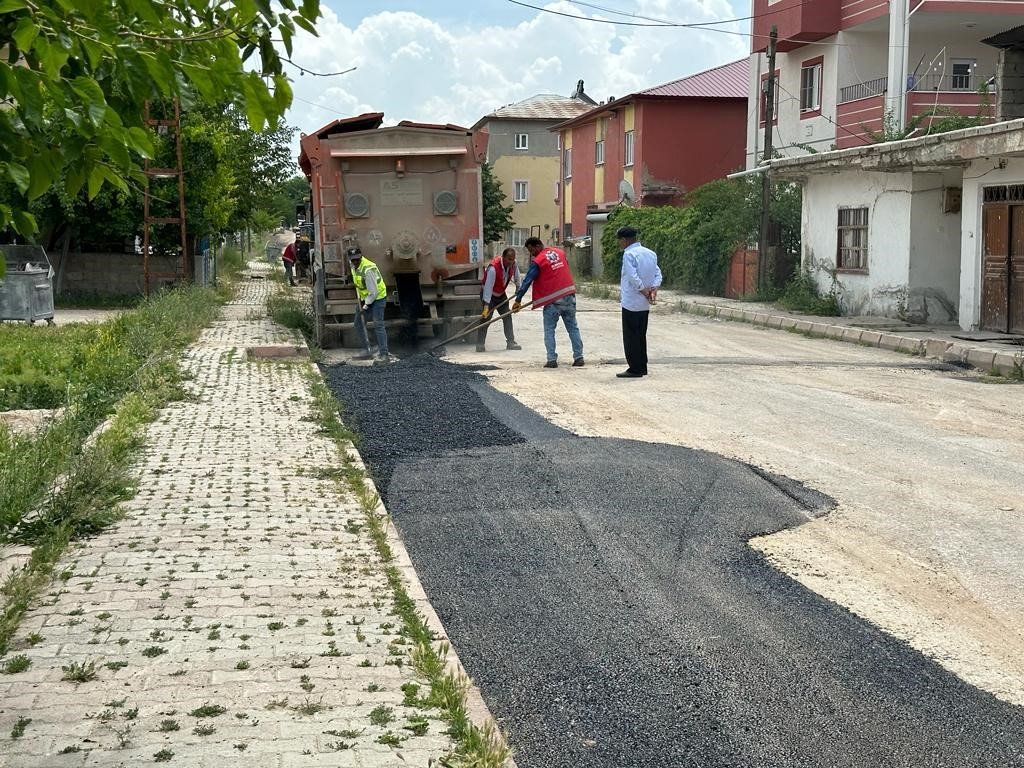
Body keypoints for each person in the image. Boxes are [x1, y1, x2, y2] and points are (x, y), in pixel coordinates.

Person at [512, 236, 583, 368]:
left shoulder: (538, 261)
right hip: (569, 295)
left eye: (531, 250)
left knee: (549, 330)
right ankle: (579, 357)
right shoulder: (560, 253)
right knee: (573, 328)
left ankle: (551, 360)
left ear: (538, 246)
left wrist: (518, 299)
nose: (531, 253)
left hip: (553, 301)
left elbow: (528, 280)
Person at [616, 226, 662, 378]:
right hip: (645, 303)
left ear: (625, 239)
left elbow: (632, 276)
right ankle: (642, 366)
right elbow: (657, 273)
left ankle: (634, 368)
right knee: (641, 335)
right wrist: (653, 289)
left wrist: (643, 290)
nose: (619, 244)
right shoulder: (650, 253)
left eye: (620, 241)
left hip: (631, 301)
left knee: (631, 337)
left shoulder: (629, 254)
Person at [347, 247, 390, 361]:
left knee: (378, 324)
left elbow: (373, 292)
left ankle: (384, 353)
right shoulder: (352, 265)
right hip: (365, 297)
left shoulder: (368, 269)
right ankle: (368, 348)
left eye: (357, 259)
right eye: (353, 260)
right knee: (358, 323)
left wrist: (365, 306)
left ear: (361, 257)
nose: (355, 261)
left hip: (378, 297)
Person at [477, 247, 522, 352]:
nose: (511, 261)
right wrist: (486, 305)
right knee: (486, 318)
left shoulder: (513, 264)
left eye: (513, 259)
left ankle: (511, 342)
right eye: (509, 259)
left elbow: (517, 277)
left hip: (500, 294)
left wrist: (519, 290)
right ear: (503, 257)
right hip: (489, 295)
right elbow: (488, 287)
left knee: (507, 316)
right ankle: (480, 344)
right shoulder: (493, 268)